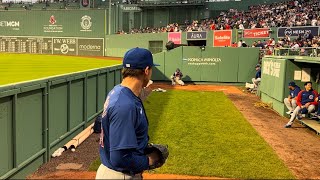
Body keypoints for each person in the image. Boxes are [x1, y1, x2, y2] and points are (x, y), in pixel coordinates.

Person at [96, 47, 161, 179]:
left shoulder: (118, 91)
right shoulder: (125, 105)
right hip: (119, 175)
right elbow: (119, 159)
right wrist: (150, 160)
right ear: (146, 71)